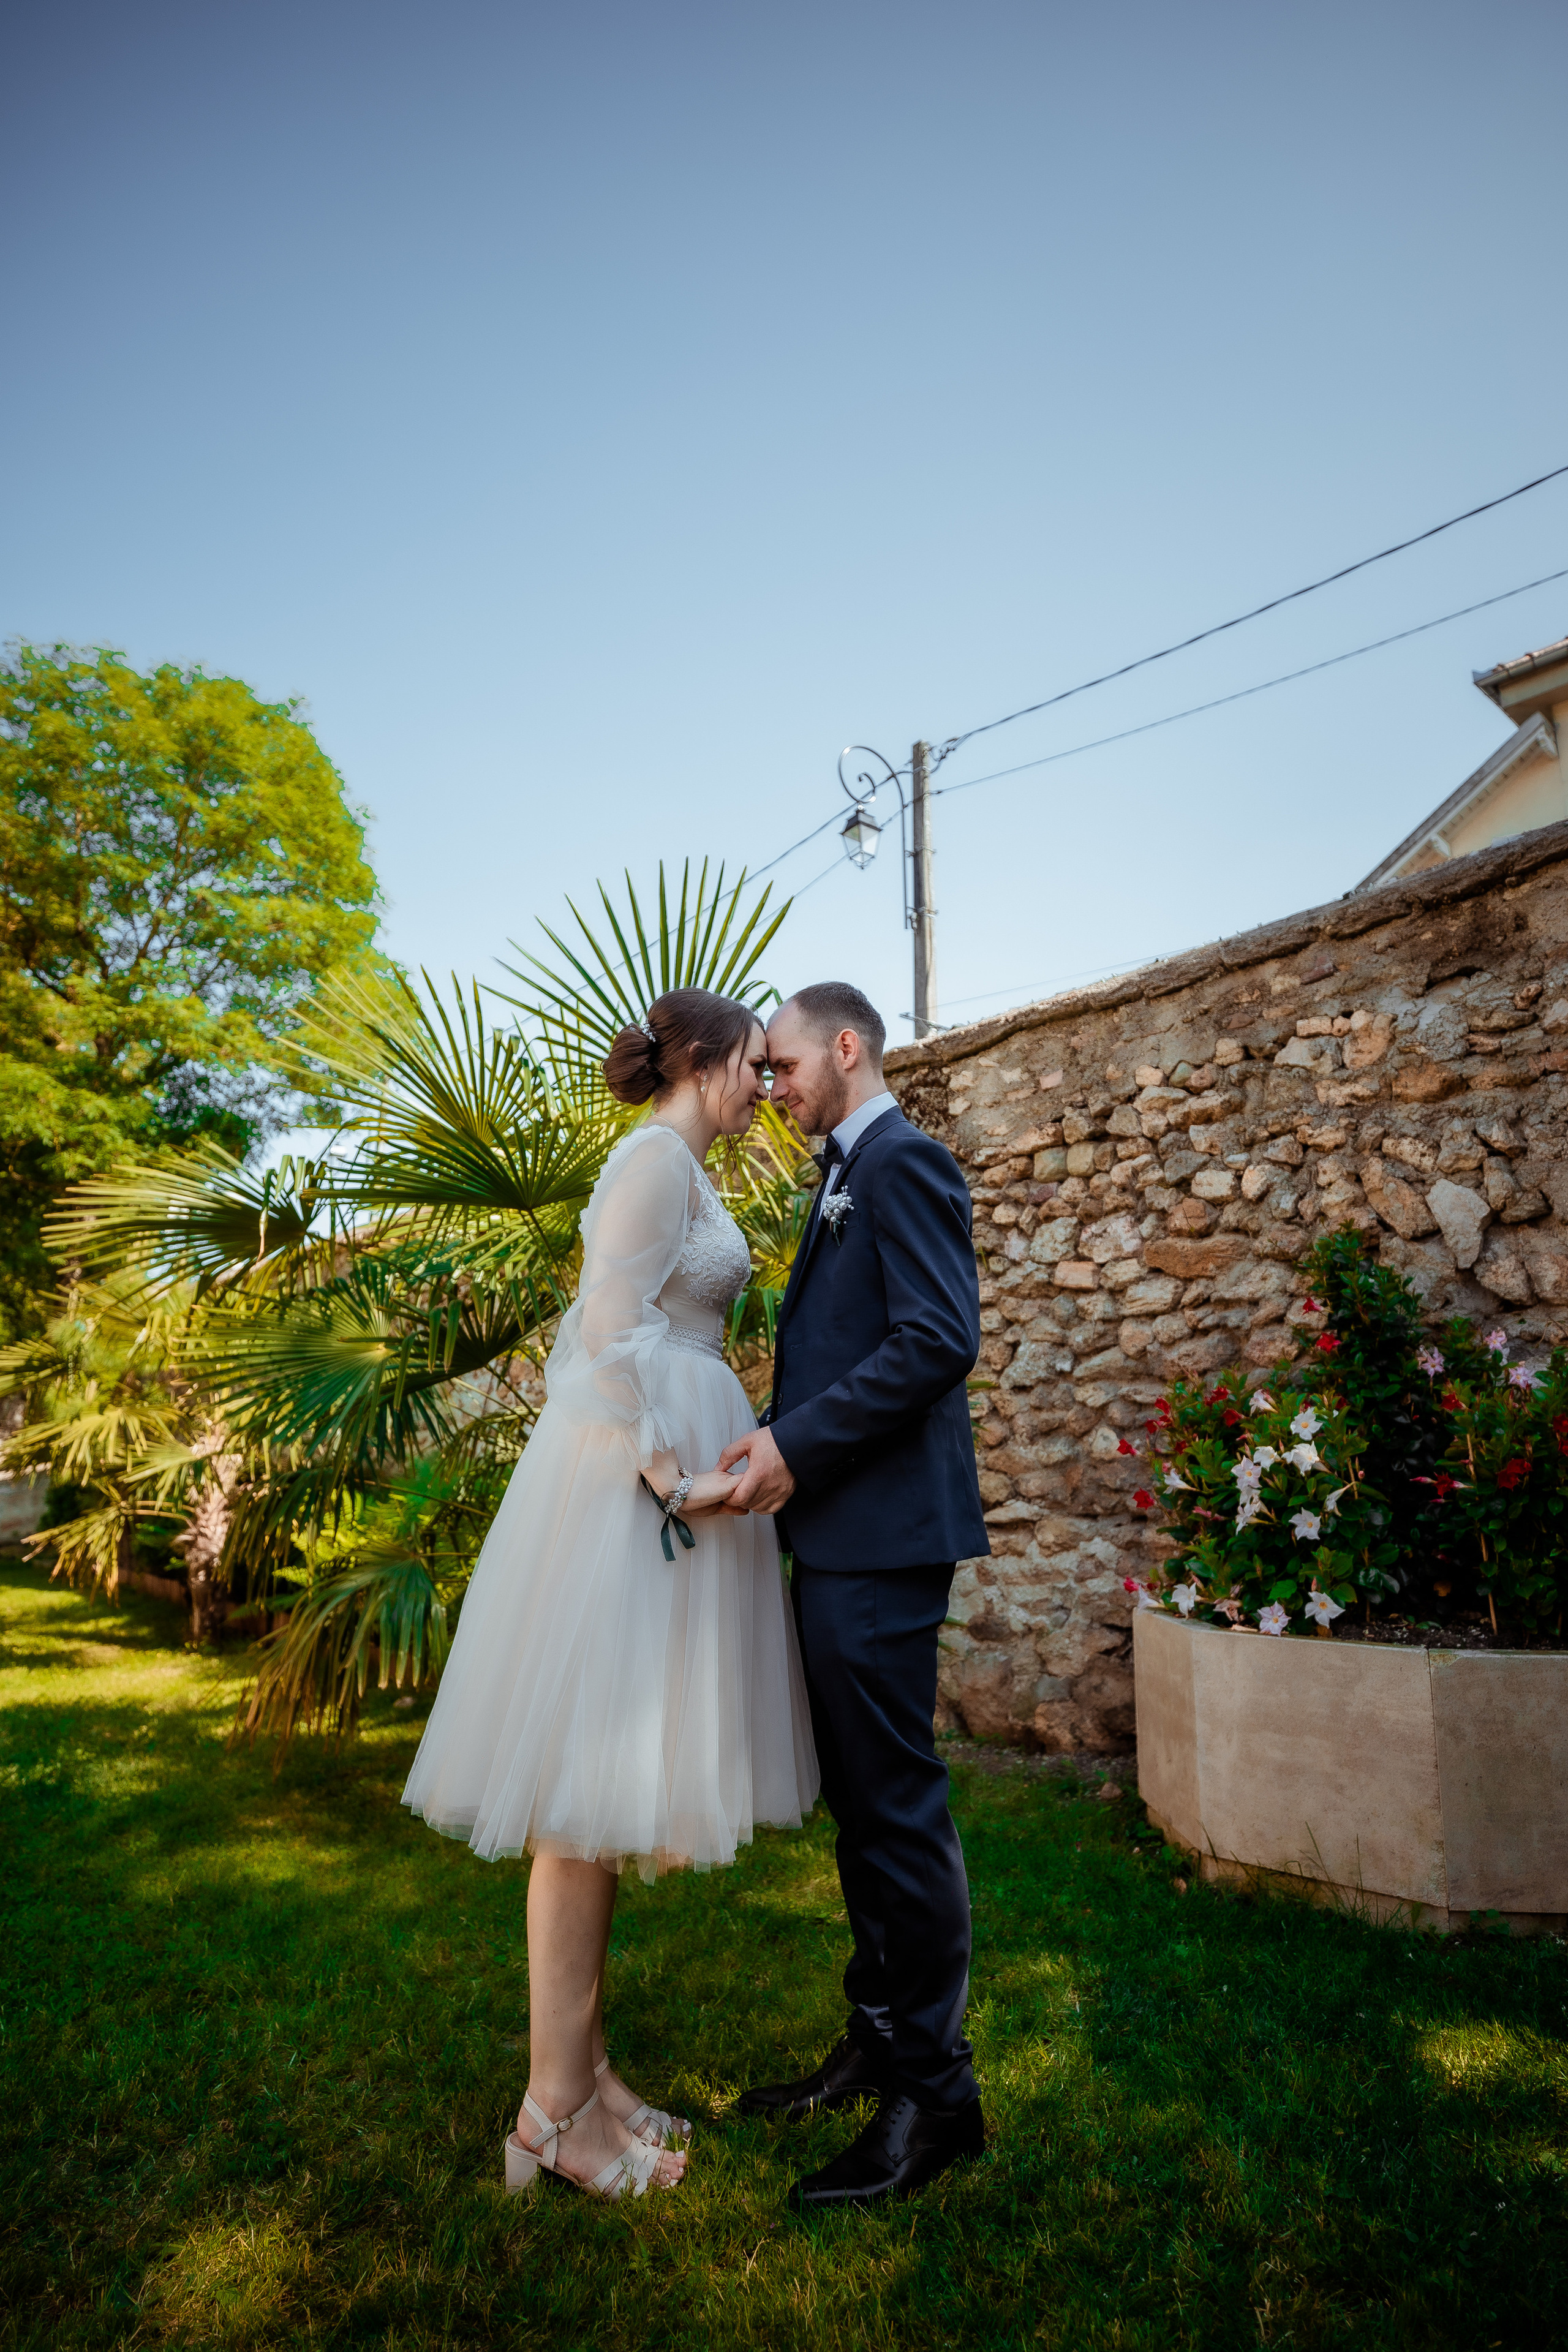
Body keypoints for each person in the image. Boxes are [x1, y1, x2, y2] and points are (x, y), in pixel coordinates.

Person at [402, 987, 818, 2202]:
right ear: (700, 1061)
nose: (763, 1082)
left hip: (663, 1476)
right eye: (751, 1062)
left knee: (605, 1798)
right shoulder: (649, 1159)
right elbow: (600, 1330)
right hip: (630, 1495)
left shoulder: (687, 1167)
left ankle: (588, 2074)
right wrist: (665, 1478)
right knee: (580, 1809)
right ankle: (550, 2115)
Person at [718, 981, 990, 2211]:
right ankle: (878, 2039)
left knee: (896, 1815)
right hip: (838, 1536)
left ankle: (935, 2101)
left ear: (844, 1047)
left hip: (880, 1542)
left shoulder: (902, 1163)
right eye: (761, 1073)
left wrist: (792, 1445)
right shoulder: (841, 1169)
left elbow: (937, 1339)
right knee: (861, 1813)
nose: (768, 1085)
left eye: (779, 1065)